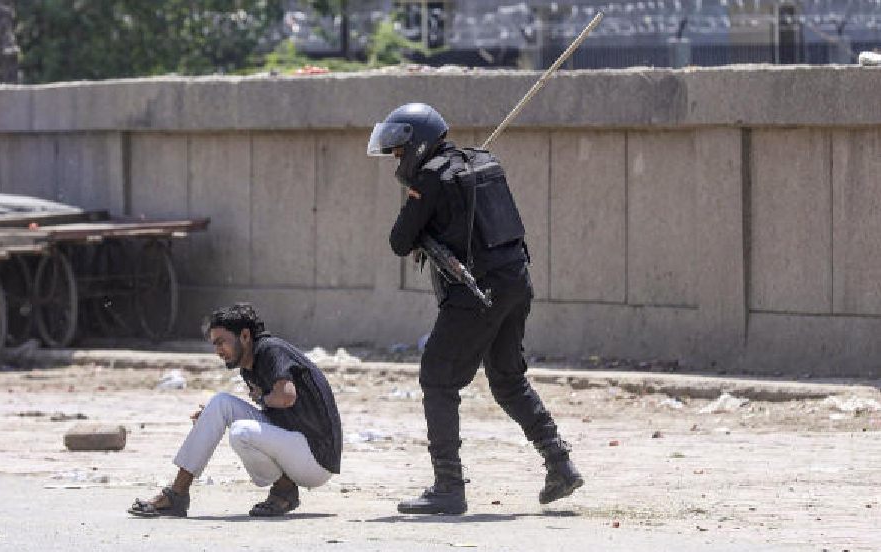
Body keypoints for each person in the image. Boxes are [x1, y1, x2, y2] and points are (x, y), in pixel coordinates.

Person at [367, 103, 584, 515]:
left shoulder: (431, 178)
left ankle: (448, 486)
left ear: (418, 145)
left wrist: (425, 215)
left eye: (400, 150)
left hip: (475, 292)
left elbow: (399, 240)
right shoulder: (482, 162)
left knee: (438, 377)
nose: (398, 158)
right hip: (516, 281)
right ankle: (559, 463)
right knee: (507, 379)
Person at [128, 303, 342, 517]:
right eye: (214, 344)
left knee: (241, 432)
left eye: (222, 342)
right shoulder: (248, 367)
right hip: (296, 445)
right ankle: (177, 494)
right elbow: (279, 412)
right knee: (220, 403)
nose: (218, 351)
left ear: (245, 336)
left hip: (316, 458)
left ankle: (284, 490)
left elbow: (286, 397)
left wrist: (262, 400)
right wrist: (210, 417)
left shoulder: (270, 350)